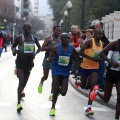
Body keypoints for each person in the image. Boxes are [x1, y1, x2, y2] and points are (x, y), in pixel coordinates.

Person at [11, 22, 41, 112]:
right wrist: (14, 51)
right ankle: (18, 103)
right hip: (20, 63)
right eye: (27, 28)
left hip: (29, 63)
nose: (29, 30)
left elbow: (39, 48)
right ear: (23, 29)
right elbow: (13, 46)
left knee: (24, 83)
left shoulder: (34, 38)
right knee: (20, 82)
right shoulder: (19, 38)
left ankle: (21, 92)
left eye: (30, 28)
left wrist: (35, 53)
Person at [75, 29, 104, 116]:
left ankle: (89, 107)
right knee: (83, 86)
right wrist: (91, 58)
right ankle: (78, 82)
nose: (100, 35)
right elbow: (80, 52)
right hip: (85, 67)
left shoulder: (102, 44)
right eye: (98, 33)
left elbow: (103, 54)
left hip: (95, 67)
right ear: (95, 34)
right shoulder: (89, 42)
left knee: (93, 85)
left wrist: (100, 59)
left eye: (101, 34)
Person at [90, 39, 120, 120]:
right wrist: (111, 62)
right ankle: (96, 91)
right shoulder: (115, 43)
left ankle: (116, 118)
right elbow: (101, 53)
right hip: (111, 73)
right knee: (106, 99)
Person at [49, 33, 76, 116]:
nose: (67, 40)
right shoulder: (56, 48)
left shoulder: (72, 49)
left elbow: (76, 59)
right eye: (65, 38)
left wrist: (74, 68)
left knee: (63, 93)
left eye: (68, 38)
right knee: (56, 90)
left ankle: (58, 90)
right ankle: (53, 107)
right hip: (56, 70)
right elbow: (50, 57)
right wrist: (50, 58)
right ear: (61, 39)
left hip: (65, 72)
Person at [38, 25, 61, 101]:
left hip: (56, 61)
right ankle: (41, 83)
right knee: (45, 77)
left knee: (55, 79)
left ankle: (51, 95)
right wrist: (51, 48)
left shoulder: (61, 40)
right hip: (47, 60)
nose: (58, 32)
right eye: (57, 30)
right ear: (53, 31)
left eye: (59, 30)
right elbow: (42, 48)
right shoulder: (48, 38)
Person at [95, 21, 110, 91]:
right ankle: (96, 84)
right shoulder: (96, 35)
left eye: (97, 26)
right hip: (95, 57)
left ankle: (101, 85)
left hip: (101, 57)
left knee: (100, 72)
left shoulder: (102, 37)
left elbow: (107, 45)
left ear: (101, 27)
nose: (96, 27)